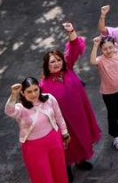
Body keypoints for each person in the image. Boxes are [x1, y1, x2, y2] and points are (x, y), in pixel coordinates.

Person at [38, 24, 101, 175]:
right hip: (62, 122)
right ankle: (66, 167)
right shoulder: (43, 84)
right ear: (47, 66)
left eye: (58, 60)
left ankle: (80, 160)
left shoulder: (68, 69)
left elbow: (74, 47)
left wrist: (71, 31)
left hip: (80, 115)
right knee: (67, 144)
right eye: (52, 62)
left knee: (81, 138)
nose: (57, 63)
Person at [4, 78, 70, 183]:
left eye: (36, 89)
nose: (33, 94)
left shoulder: (49, 99)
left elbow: (59, 116)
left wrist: (65, 133)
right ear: (22, 92)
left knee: (60, 171)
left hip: (54, 140)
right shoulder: (20, 108)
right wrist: (13, 95)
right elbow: (9, 111)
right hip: (34, 148)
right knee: (42, 176)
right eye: (29, 91)